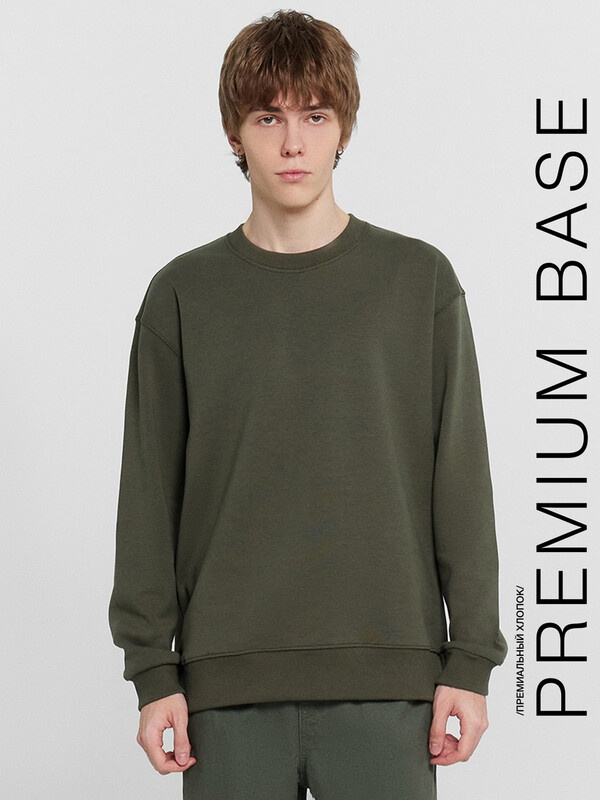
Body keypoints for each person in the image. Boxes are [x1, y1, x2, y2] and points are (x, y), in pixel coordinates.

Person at [109, 9, 507, 798]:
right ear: (235, 133)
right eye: (269, 117)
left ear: (342, 129)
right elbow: (149, 496)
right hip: (225, 693)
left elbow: (460, 481)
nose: (293, 143)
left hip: (390, 686)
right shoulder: (182, 295)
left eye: (315, 116)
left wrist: (471, 660)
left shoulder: (419, 281)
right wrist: (153, 671)